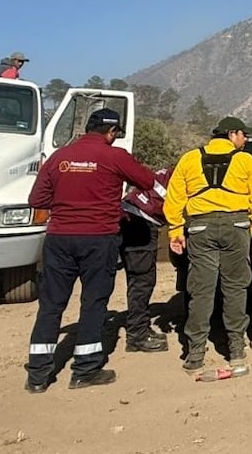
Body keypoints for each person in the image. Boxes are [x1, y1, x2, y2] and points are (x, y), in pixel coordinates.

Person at [24, 108, 163, 393]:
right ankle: (85, 370)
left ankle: (38, 375)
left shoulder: (59, 157)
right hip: (99, 239)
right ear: (111, 132)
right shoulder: (115, 156)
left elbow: (36, 198)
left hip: (59, 239)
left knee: (51, 304)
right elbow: (148, 182)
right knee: (93, 302)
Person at [163, 116, 252, 374]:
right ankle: (236, 350)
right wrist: (250, 227)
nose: (246, 139)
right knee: (236, 288)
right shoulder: (245, 161)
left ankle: (195, 353)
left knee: (200, 290)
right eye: (243, 134)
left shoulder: (189, 159)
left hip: (200, 227)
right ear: (231, 134)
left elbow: (174, 197)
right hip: (237, 226)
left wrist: (176, 230)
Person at [118, 166, 174, 353]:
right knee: (142, 281)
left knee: (138, 279)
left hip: (130, 215)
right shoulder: (184, 175)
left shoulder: (169, 171)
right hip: (140, 221)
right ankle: (137, 335)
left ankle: (138, 328)